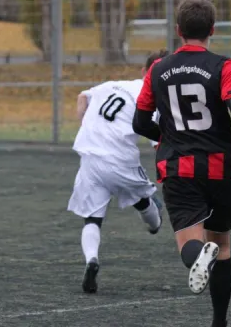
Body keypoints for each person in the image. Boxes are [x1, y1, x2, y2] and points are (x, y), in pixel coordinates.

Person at [133, 0, 231, 327]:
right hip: (221, 168)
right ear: (212, 30)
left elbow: (140, 122)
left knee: (190, 245)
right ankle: (219, 322)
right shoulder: (224, 66)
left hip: (180, 167)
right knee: (221, 244)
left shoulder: (158, 69)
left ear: (178, 31)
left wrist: (166, 136)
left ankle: (198, 255)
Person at [67, 51, 168, 294]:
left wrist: (87, 126)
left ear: (144, 71)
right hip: (120, 159)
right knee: (144, 200)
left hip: (90, 155)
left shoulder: (114, 84)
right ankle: (154, 222)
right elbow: (161, 144)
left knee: (92, 218)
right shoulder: (156, 101)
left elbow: (83, 97)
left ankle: (92, 259)